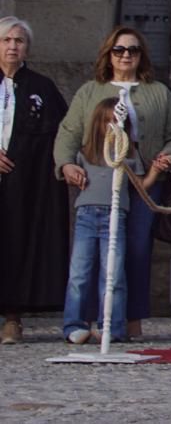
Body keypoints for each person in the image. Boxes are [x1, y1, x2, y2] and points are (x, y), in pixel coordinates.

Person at [53, 26, 171, 340]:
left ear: (141, 55)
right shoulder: (89, 91)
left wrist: (167, 157)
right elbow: (68, 133)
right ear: (108, 54)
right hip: (99, 180)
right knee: (91, 255)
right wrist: (67, 164)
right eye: (119, 50)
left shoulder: (158, 93)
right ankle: (85, 320)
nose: (126, 55)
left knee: (136, 250)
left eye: (133, 50)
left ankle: (128, 320)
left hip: (144, 181)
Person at [61, 98, 167, 343]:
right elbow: (70, 174)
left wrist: (155, 171)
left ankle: (113, 325)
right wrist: (71, 171)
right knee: (79, 273)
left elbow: (140, 186)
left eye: (118, 121)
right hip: (86, 216)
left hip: (115, 216)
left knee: (114, 273)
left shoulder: (127, 154)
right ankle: (73, 325)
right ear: (99, 123)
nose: (113, 126)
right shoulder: (85, 153)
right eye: (108, 121)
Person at [0, 17, 70, 345]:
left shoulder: (42, 87)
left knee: (17, 242)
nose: (12, 46)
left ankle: (12, 317)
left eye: (19, 41)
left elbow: (60, 132)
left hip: (24, 182)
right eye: (6, 40)